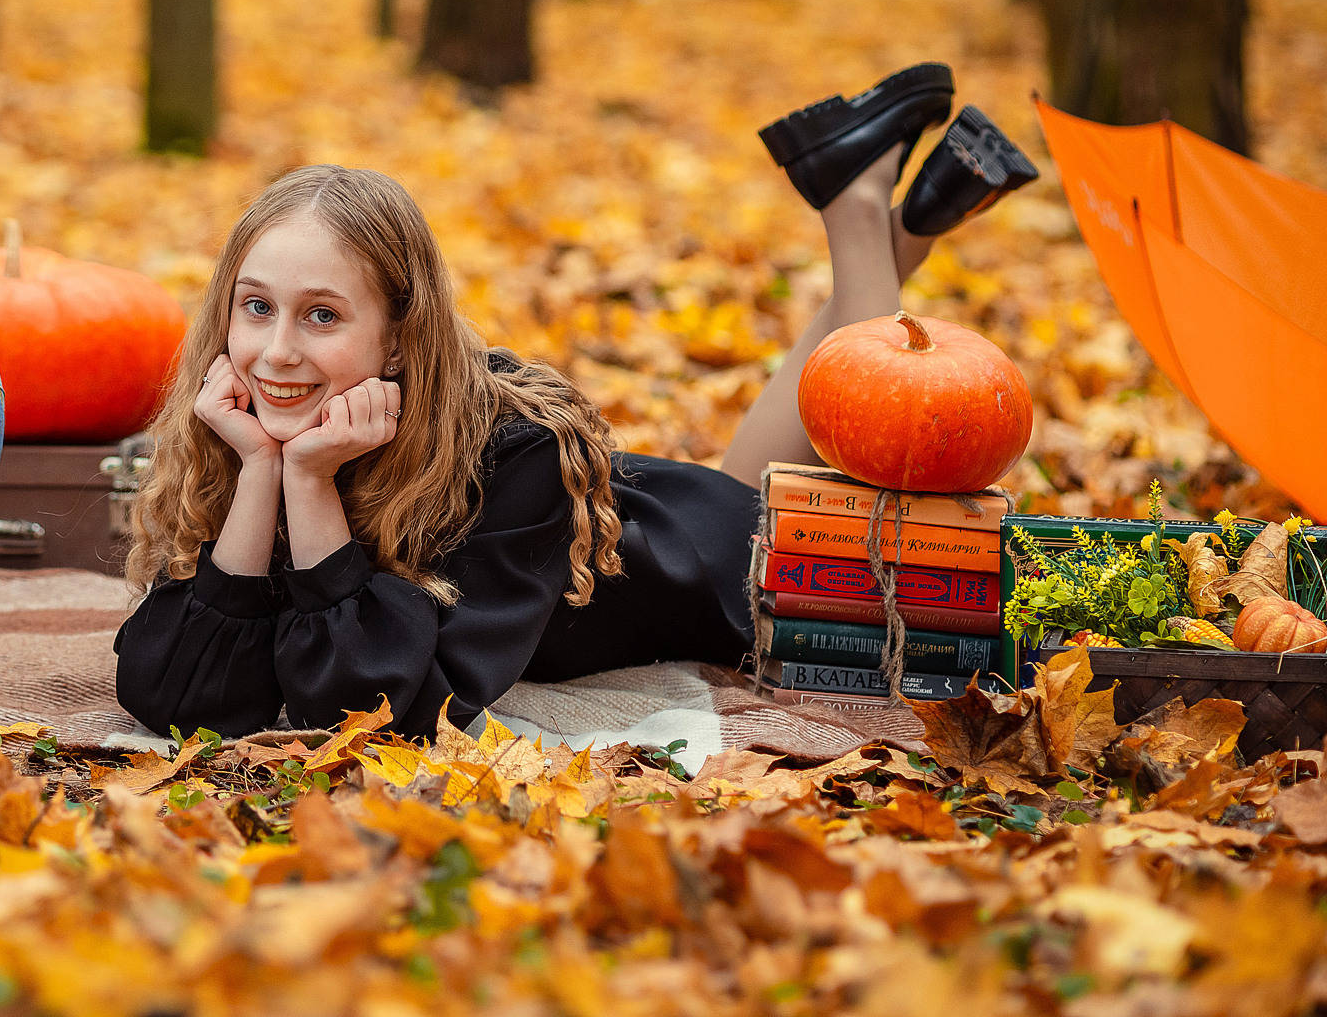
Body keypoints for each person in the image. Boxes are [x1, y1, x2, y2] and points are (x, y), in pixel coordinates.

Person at [114, 64, 1038, 738]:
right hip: (645, 519)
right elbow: (183, 698)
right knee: (742, 473)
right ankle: (900, 223)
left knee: (864, 418)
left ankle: (857, 208)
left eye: (322, 314)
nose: (275, 351)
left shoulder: (513, 456)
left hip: (717, 569)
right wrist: (264, 474)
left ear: (399, 334)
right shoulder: (244, 431)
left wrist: (310, 487)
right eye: (257, 306)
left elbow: (378, 713)